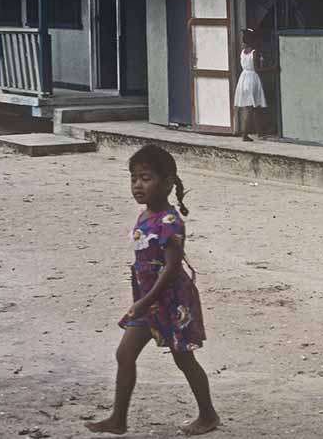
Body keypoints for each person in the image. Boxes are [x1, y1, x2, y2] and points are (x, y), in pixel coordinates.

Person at [85, 145, 219, 436]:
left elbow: (171, 269)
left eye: (146, 178)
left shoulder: (170, 222)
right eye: (133, 179)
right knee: (125, 354)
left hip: (170, 302)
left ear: (168, 183)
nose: (137, 185)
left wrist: (146, 300)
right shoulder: (145, 215)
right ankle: (118, 419)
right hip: (148, 302)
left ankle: (208, 415)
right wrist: (143, 301)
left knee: (184, 358)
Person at [234, 28, 277, 142]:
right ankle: (245, 134)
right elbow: (258, 69)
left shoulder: (243, 52)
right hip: (253, 79)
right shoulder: (255, 52)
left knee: (255, 108)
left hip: (244, 78)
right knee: (251, 109)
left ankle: (260, 132)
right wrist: (272, 68)